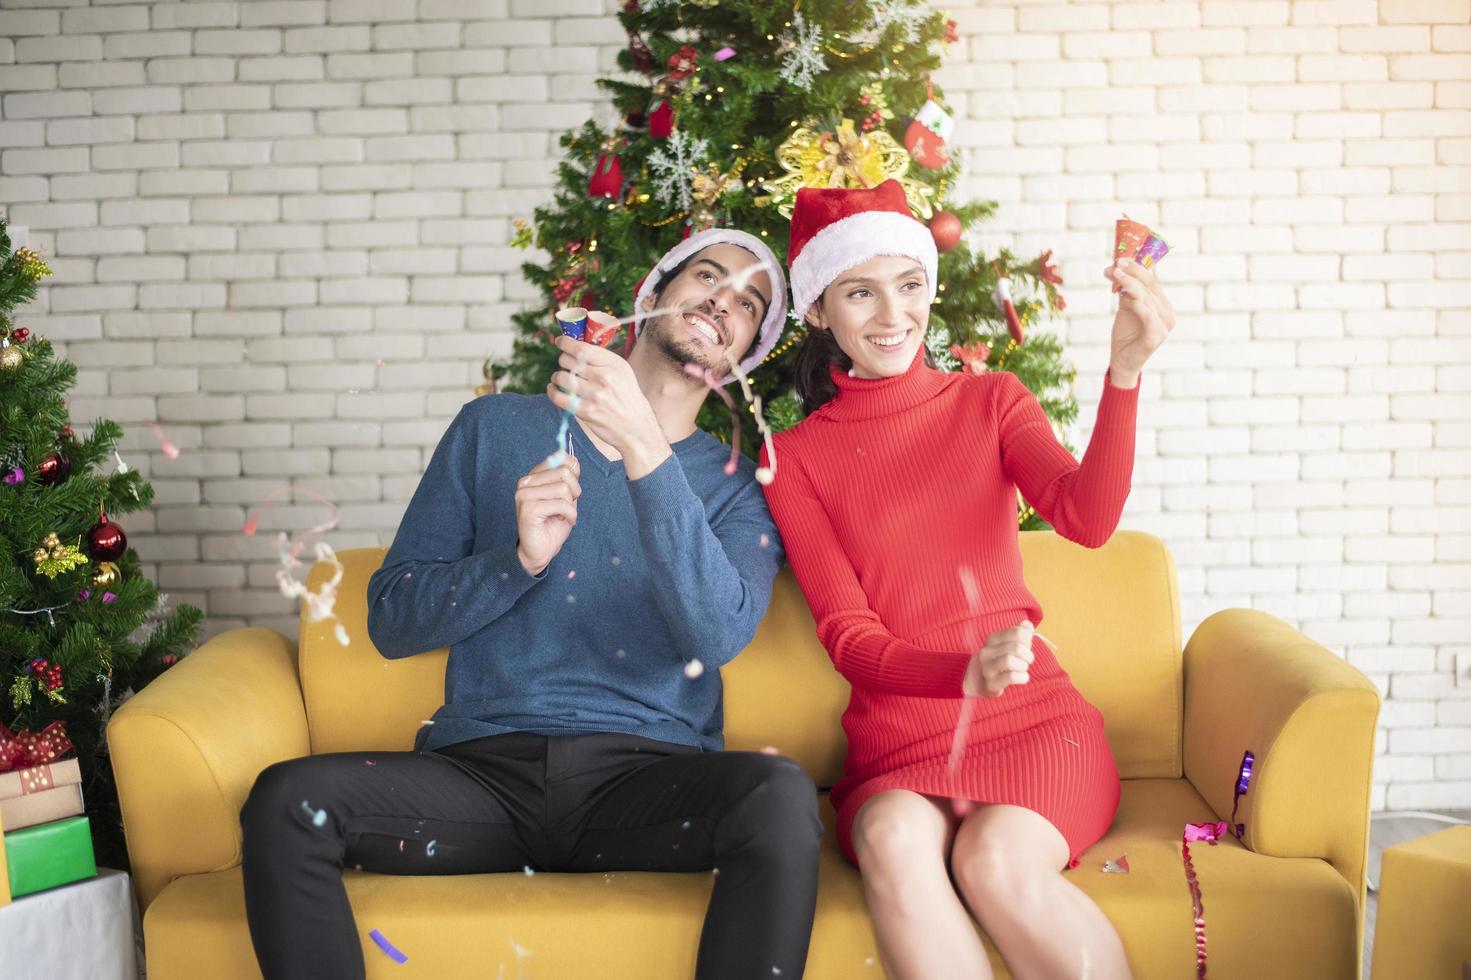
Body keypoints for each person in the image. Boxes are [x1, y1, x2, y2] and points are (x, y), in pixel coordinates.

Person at [239, 229, 822, 980]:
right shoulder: (493, 431)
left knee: (776, 796)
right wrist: (515, 563)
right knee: (287, 799)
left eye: (748, 303)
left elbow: (717, 634)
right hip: (480, 780)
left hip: (643, 787)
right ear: (649, 297)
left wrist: (645, 453)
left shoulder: (736, 485)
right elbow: (391, 620)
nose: (723, 301)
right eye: (708, 276)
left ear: (742, 352)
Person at [761, 180, 1176, 980]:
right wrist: (961, 672)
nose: (892, 316)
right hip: (899, 745)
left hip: (1032, 724)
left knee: (993, 862)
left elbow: (1084, 520)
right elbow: (850, 638)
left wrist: (1122, 373)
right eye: (859, 292)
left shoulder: (989, 401)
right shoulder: (795, 460)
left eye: (909, 285)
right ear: (820, 312)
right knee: (891, 838)